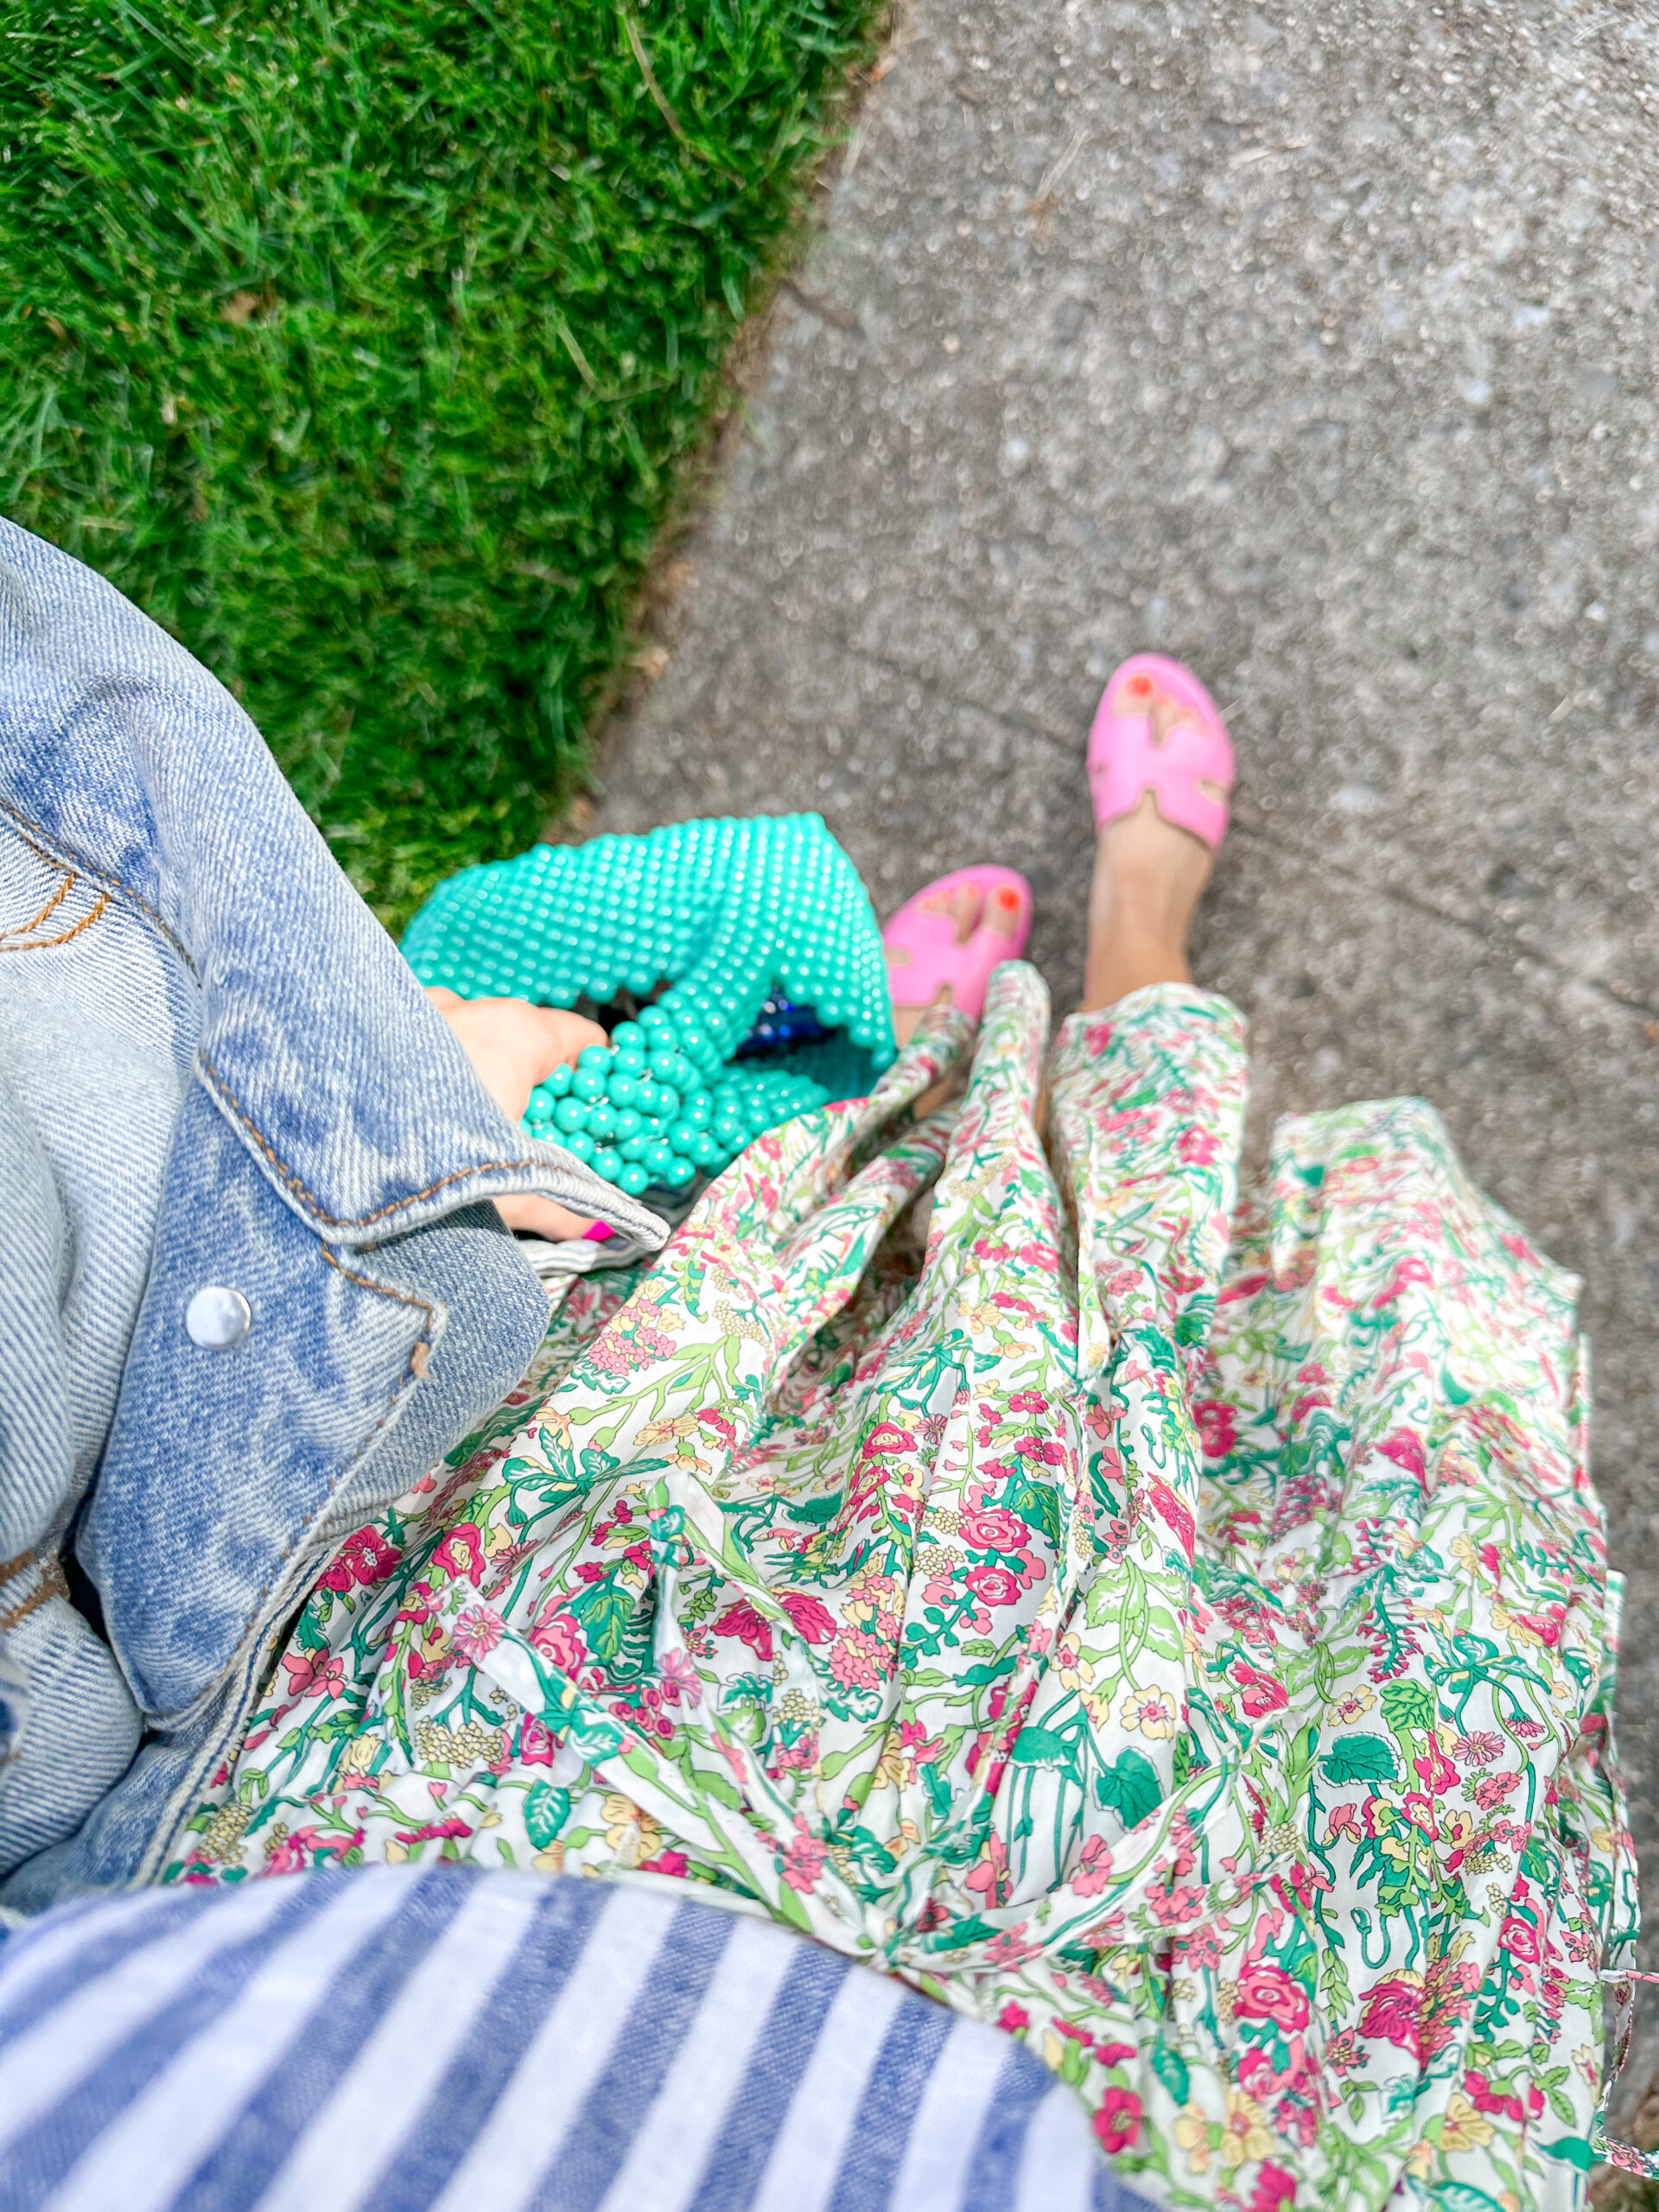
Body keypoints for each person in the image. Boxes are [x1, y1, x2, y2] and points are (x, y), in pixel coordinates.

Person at [0, 520, 1637, 2209]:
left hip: (459, 1793)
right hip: (1220, 2073)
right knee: (1285, 1423)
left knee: (856, 1334)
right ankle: (1136, 958)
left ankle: (974, 1074)